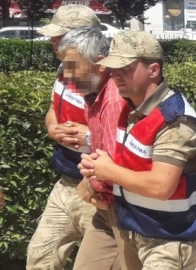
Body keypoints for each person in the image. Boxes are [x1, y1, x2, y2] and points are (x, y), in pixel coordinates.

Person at [80, 30, 196, 270]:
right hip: (135, 225)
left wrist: (108, 171)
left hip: (171, 238)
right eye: (113, 69)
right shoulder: (130, 108)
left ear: (153, 70)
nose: (116, 76)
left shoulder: (176, 120)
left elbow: (160, 186)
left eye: (125, 68)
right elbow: (129, 163)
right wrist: (96, 168)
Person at [27, 5, 104, 270]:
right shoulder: (63, 72)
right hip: (65, 183)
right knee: (40, 259)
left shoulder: (111, 79)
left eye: (59, 36)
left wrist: (92, 136)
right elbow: (53, 109)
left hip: (98, 189)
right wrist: (52, 128)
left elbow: (132, 134)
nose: (52, 41)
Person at [53, 27, 125, 270]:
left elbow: (119, 160)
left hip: (126, 209)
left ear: (100, 64)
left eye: (73, 66)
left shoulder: (114, 98)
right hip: (107, 206)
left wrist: (92, 183)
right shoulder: (93, 93)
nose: (67, 76)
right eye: (64, 67)